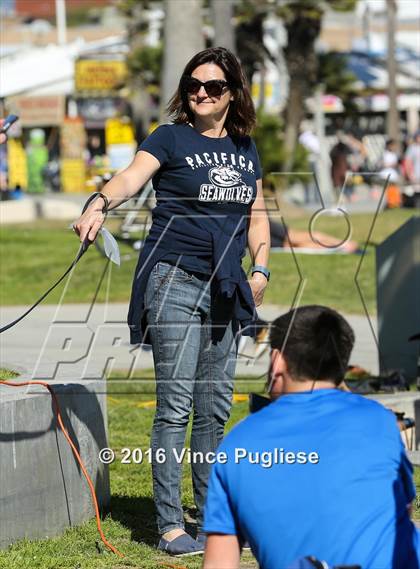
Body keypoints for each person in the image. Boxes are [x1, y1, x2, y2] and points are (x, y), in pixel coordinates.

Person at [72, 47, 270, 556]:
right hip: (174, 280)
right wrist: (98, 203)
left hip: (228, 286)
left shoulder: (246, 147)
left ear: (232, 93)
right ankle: (166, 525)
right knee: (177, 405)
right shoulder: (169, 138)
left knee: (214, 409)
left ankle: (211, 517)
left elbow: (257, 214)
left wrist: (262, 266)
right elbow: (130, 178)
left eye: (214, 86)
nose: (201, 93)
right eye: (193, 85)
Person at [203, 305, 420, 568]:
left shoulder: (238, 444)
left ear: (277, 361)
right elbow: (402, 511)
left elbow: (219, 561)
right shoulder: (382, 423)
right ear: (342, 366)